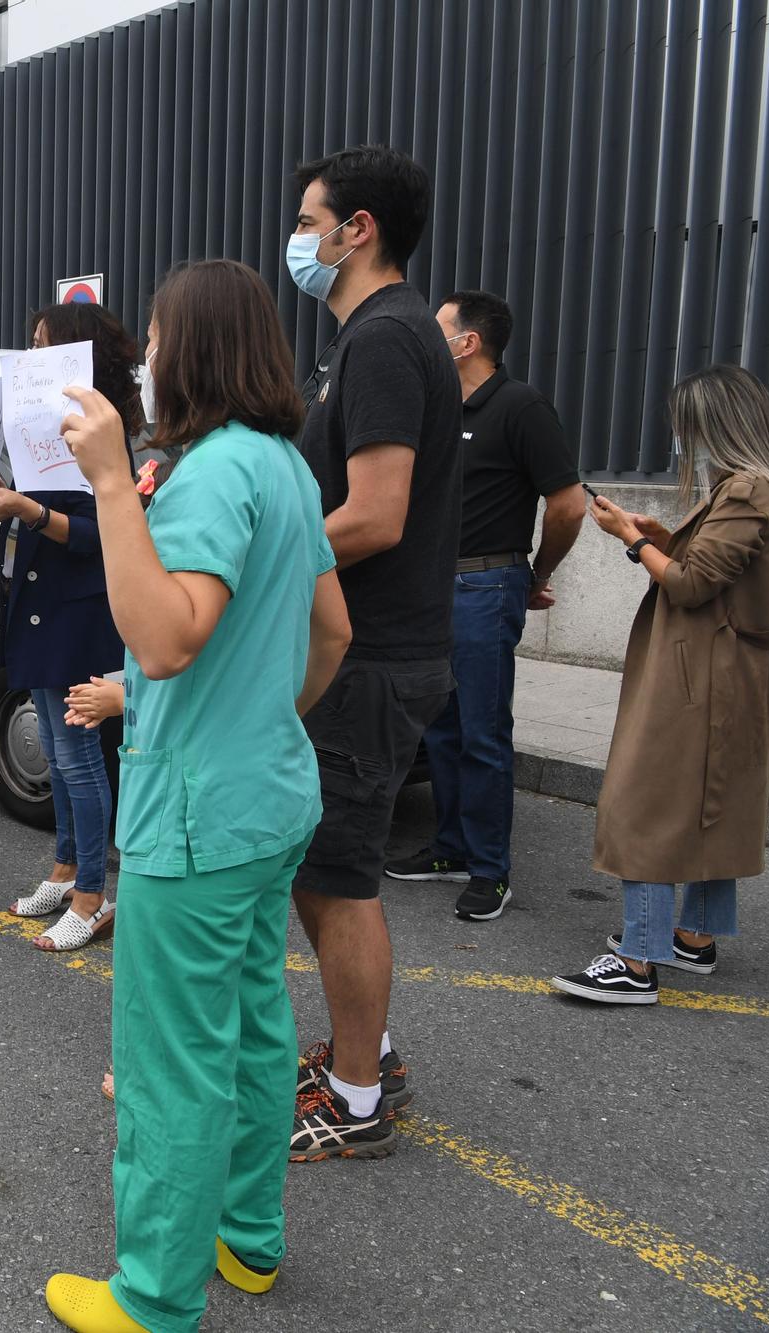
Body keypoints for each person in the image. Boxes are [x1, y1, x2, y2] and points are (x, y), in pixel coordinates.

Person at [40, 258, 351, 1333]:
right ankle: (246, 1241)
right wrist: (256, 714)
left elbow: (167, 636)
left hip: (194, 815)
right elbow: (326, 631)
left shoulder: (208, 470)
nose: (148, 356)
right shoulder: (280, 464)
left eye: (161, 338)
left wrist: (113, 484)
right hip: (267, 797)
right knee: (257, 1022)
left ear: (198, 351)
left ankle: (155, 1296)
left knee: (170, 1061)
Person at [283, 144, 460, 1162]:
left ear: (358, 230)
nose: (298, 238)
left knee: (336, 873)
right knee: (322, 865)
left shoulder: (385, 339)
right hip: (369, 649)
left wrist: (265, 561)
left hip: (371, 653)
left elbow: (375, 514)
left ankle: (355, 1099)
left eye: (309, 220)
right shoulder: (375, 337)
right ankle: (366, 1049)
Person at [551, 365, 769, 1004]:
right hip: (731, 667)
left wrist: (631, 540)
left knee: (644, 803)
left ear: (719, 425)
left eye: (690, 428)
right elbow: (711, 566)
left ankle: (637, 962)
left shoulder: (746, 492)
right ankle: (693, 938)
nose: (685, 441)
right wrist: (662, 536)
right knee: (713, 805)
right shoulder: (766, 488)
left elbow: (689, 585)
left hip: (700, 672)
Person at [385, 290, 586, 921]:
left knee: (482, 733)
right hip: (431, 586)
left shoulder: (521, 406)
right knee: (439, 728)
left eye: (438, 330)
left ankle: (491, 870)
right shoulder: (436, 408)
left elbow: (568, 503)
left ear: (468, 343)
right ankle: (450, 847)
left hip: (486, 586)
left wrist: (535, 573)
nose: (427, 340)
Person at [0, 302, 138, 951]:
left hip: (79, 612)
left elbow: (106, 534)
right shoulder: (39, 426)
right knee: (55, 748)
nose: (31, 359)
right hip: (37, 602)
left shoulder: (104, 431)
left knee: (77, 755)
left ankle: (95, 893)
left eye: (44, 347)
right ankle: (66, 870)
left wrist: (28, 510)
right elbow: (21, 510)